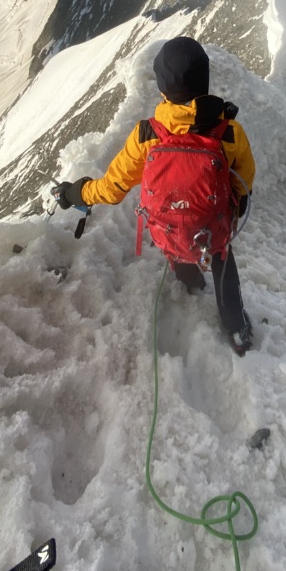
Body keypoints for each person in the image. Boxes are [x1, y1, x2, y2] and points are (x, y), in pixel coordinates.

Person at [54, 36, 256, 352]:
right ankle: (237, 329)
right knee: (222, 260)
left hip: (169, 231)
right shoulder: (229, 133)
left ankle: (191, 284)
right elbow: (243, 181)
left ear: (162, 90)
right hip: (214, 229)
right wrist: (234, 212)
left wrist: (75, 193)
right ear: (205, 83)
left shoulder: (147, 135)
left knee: (178, 243)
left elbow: (111, 188)